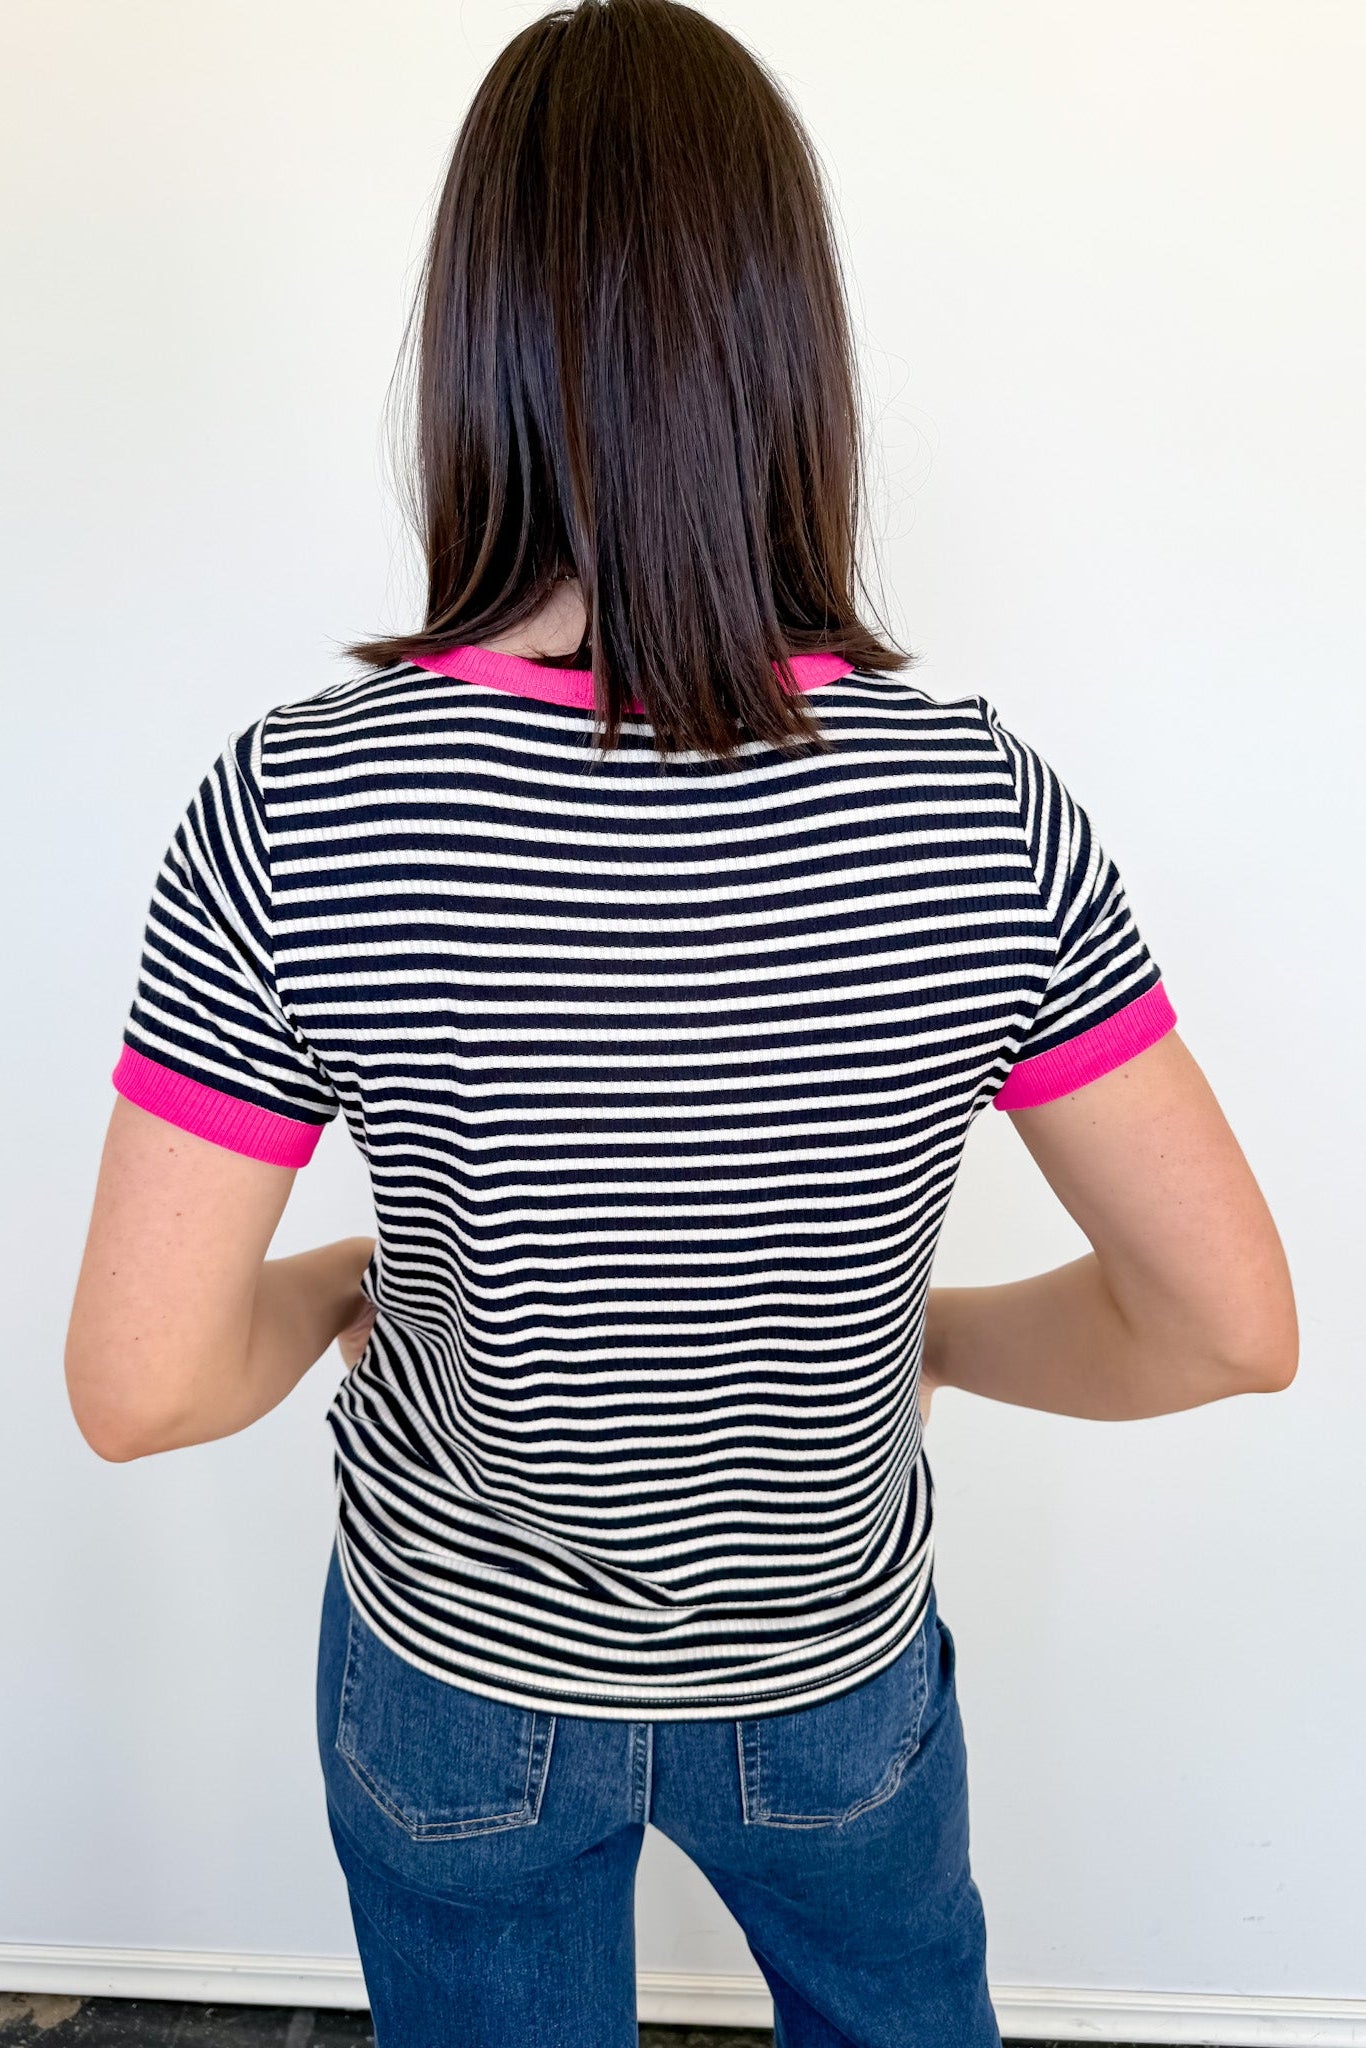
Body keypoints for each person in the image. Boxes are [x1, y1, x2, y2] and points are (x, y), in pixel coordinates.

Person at [63, 2, 1298, 2043]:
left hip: (456, 1678)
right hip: (829, 1673)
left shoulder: (302, 802)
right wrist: (928, 1340)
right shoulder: (968, 803)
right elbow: (1224, 1326)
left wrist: (356, 1281)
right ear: (782, 357)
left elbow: (147, 1382)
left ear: (477, 350)